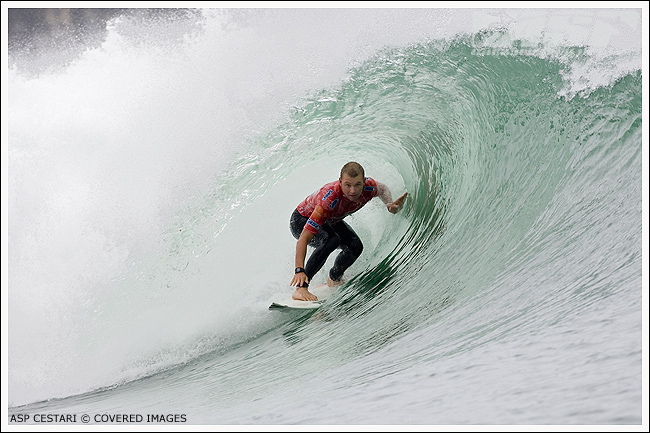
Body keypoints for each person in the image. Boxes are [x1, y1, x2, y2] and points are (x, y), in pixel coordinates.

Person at [289, 161, 407, 301]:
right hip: (301, 220)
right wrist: (299, 270)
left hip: (330, 220)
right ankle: (301, 289)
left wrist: (389, 204)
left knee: (355, 246)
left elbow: (383, 189)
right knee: (332, 240)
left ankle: (334, 279)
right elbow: (303, 238)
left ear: (364, 181)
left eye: (357, 185)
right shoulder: (328, 200)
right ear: (340, 182)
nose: (353, 191)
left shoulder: (370, 187)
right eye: (348, 185)